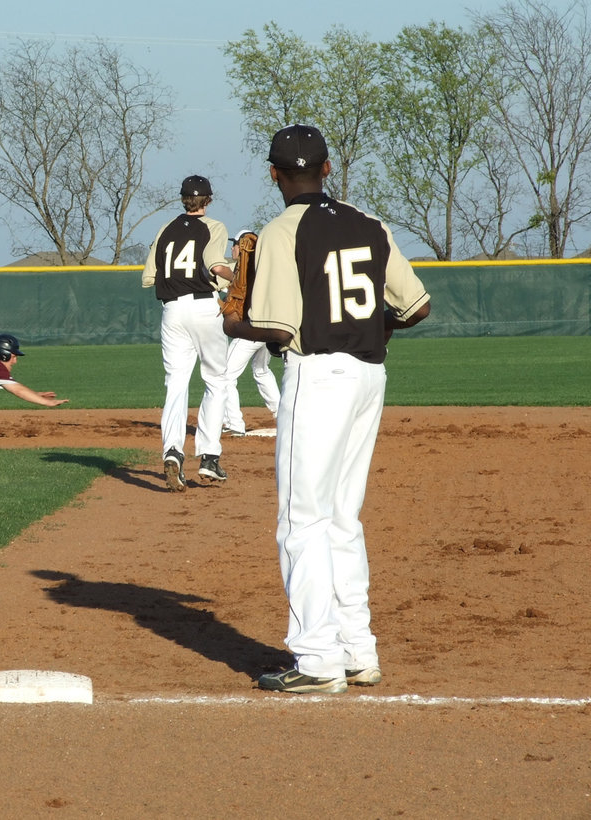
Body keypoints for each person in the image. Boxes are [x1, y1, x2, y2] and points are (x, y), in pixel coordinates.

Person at [222, 125, 430, 694]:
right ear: (328, 168)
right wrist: (370, 324)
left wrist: (230, 320)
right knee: (341, 518)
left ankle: (316, 660)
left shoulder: (281, 231)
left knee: (302, 520)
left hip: (319, 377)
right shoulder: (370, 222)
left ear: (273, 175)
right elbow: (417, 307)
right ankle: (358, 651)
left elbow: (277, 328)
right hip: (369, 377)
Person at [141, 174, 234, 492]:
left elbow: (149, 274)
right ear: (208, 200)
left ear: (183, 199)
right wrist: (236, 275)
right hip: (204, 307)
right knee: (216, 381)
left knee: (176, 385)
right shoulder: (215, 227)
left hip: (172, 312)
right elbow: (215, 265)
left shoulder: (165, 229)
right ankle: (209, 458)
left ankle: (172, 452)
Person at [220, 230, 281, 436]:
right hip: (268, 328)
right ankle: (283, 416)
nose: (233, 248)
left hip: (250, 330)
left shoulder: (246, 270)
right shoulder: (263, 267)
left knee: (225, 375)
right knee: (261, 370)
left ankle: (234, 423)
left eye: (235, 244)